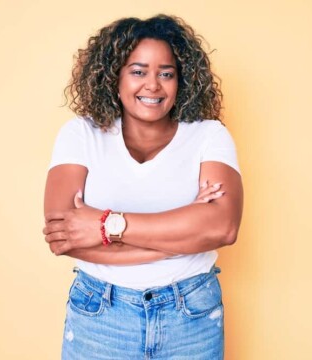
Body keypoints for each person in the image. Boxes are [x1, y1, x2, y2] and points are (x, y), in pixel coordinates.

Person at [43, 14, 243, 360]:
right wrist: (182, 239)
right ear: (113, 77)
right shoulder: (81, 135)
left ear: (182, 81)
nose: (153, 85)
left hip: (191, 313)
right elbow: (63, 237)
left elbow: (223, 228)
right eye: (138, 71)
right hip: (100, 313)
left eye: (166, 73)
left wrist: (106, 225)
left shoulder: (208, 135)